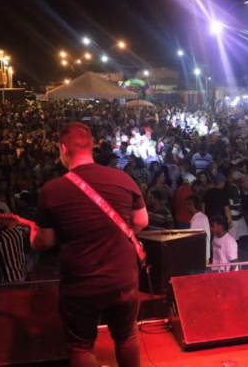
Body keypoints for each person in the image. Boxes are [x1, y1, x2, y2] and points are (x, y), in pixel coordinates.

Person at [32, 122, 149, 367]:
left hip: (81, 282)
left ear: (63, 148)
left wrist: (33, 237)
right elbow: (141, 220)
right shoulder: (122, 178)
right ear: (92, 145)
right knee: (126, 336)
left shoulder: (52, 190)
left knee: (80, 346)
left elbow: (46, 241)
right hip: (123, 278)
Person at [186, 194, 211, 263]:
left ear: (191, 205)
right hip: (205, 254)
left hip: (199, 256)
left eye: (186, 204)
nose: (185, 207)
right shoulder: (203, 216)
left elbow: (193, 240)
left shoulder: (196, 220)